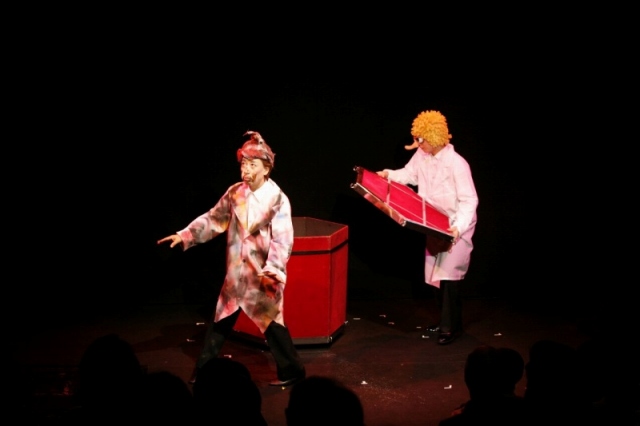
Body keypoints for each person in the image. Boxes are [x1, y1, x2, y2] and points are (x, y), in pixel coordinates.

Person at [157, 130, 306, 387]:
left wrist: (274, 267)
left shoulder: (277, 200)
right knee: (220, 322)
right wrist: (185, 235)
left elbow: (283, 239)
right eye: (243, 163)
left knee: (272, 325)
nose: (245, 169)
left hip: (262, 274)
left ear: (266, 168)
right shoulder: (235, 193)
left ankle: (293, 370)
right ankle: (203, 370)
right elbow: (214, 219)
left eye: (252, 164)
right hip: (237, 272)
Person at [377, 110, 478, 345]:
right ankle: (445, 322)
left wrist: (458, 227)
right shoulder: (422, 155)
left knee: (449, 278)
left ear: (434, 136)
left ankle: (451, 327)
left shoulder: (457, 164)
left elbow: (469, 200)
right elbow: (409, 174)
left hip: (455, 225)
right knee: (437, 277)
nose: (418, 143)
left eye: (421, 139)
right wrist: (387, 175)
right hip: (433, 223)